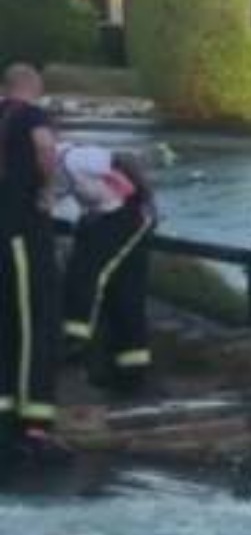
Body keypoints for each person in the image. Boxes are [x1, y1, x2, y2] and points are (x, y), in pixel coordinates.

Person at [56, 141, 158, 395]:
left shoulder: (75, 158)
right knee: (124, 293)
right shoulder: (50, 171)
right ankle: (131, 371)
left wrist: (146, 198)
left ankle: (74, 339)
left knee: (86, 273)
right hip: (104, 214)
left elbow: (124, 160)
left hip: (128, 213)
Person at [0, 64, 62, 458]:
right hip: (22, 232)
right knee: (34, 322)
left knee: (4, 322)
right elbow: (45, 148)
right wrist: (47, 190)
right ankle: (33, 423)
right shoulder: (30, 114)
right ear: (31, 87)